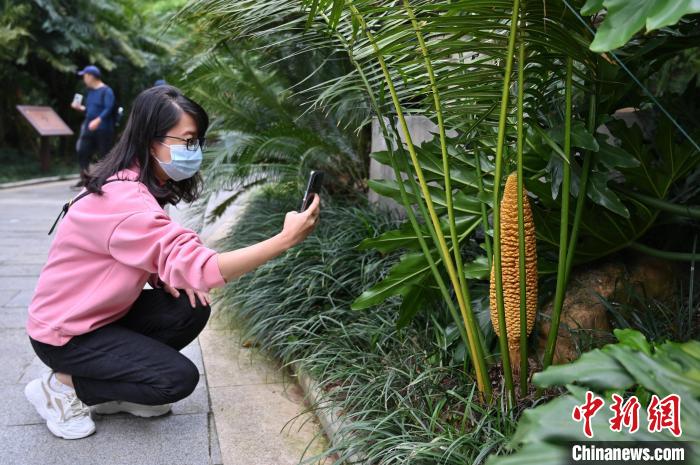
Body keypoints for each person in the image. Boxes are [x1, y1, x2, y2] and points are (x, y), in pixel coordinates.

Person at [24, 85, 321, 440]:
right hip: (66, 335)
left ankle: (113, 390)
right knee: (176, 380)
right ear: (151, 140)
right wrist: (284, 240)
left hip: (101, 317)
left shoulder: (137, 183)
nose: (194, 151)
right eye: (187, 140)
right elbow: (204, 268)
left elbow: (129, 252)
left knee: (188, 305)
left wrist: (161, 277)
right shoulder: (126, 200)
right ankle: (61, 388)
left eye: (197, 141)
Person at [70, 65, 116, 190]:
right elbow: (90, 110)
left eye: (85, 76)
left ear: (91, 77)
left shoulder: (107, 91)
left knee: (104, 154)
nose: (84, 79)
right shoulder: (90, 92)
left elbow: (109, 108)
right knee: (82, 151)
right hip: (89, 128)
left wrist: (98, 120)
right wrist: (80, 108)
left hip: (103, 129)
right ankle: (85, 178)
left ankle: (104, 180)